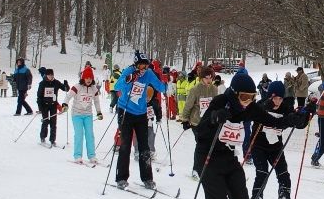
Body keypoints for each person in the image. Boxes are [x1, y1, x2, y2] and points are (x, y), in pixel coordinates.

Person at [193, 72, 313, 199]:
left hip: (229, 158)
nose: (247, 102)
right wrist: (214, 118)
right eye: (244, 97)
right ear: (234, 93)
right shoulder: (220, 102)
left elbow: (272, 121)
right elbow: (200, 132)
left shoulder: (249, 108)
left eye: (252, 97)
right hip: (208, 158)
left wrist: (293, 119)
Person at [113, 51, 167, 190]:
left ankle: (147, 178)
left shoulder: (148, 73)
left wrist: (167, 84)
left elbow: (160, 86)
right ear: (136, 65)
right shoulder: (128, 71)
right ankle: (121, 178)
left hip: (141, 113)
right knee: (125, 146)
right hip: (125, 111)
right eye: (141, 66)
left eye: (145, 65)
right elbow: (117, 87)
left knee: (144, 147)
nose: (143, 68)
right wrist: (129, 79)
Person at [250, 80, 300, 199]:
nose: (278, 101)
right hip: (258, 146)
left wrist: (306, 113)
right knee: (262, 174)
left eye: (280, 98)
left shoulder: (285, 108)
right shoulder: (262, 105)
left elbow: (298, 122)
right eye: (275, 98)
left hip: (275, 147)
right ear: (270, 96)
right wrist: (266, 107)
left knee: (284, 176)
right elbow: (253, 113)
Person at [180, 65, 218, 177]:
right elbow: (188, 105)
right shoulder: (195, 89)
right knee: (201, 145)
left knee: (210, 145)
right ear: (201, 78)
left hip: (210, 122)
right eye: (206, 78)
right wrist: (185, 120)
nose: (209, 80)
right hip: (197, 122)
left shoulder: (214, 89)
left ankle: (209, 168)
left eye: (211, 78)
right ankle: (196, 170)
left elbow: (217, 104)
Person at [62, 66, 103, 164]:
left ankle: (92, 156)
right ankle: (78, 156)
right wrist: (65, 105)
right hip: (77, 114)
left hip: (88, 114)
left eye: (90, 78)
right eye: (87, 78)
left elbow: (96, 101)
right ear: (83, 78)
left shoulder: (94, 89)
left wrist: (99, 112)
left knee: (90, 135)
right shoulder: (77, 87)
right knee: (79, 134)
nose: (88, 80)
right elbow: (68, 96)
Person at [36, 68, 69, 146]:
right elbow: (39, 96)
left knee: (53, 123)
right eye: (49, 75)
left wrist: (66, 85)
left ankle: (52, 140)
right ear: (46, 75)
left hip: (53, 105)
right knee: (45, 121)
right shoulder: (42, 83)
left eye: (52, 75)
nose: (50, 76)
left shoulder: (56, 82)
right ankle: (43, 137)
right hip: (44, 105)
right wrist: (40, 107)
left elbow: (65, 89)